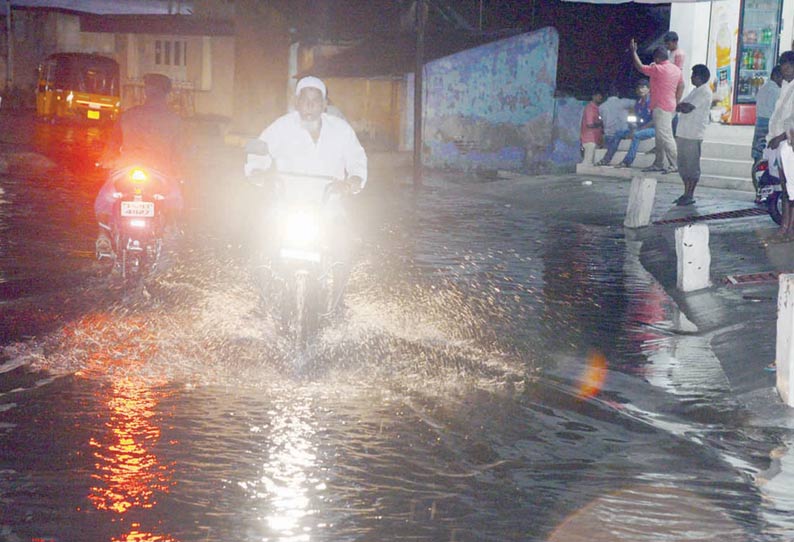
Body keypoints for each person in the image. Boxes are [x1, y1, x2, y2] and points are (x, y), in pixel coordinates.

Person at [94, 73, 186, 257]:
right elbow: (181, 152)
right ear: (166, 94)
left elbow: (112, 145)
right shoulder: (175, 121)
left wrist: (105, 160)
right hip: (160, 172)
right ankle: (170, 230)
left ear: (146, 92)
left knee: (105, 198)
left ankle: (103, 234)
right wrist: (182, 172)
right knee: (175, 199)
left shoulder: (128, 115)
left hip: (125, 169)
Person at [630, 40, 684, 174]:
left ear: (658, 58)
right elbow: (681, 85)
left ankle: (675, 164)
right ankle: (658, 163)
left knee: (666, 137)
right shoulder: (676, 69)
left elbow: (640, 67)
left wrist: (633, 52)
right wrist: (676, 100)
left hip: (661, 107)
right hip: (670, 106)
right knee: (660, 137)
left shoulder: (658, 69)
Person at [673, 64, 713, 206]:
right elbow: (681, 106)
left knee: (691, 166)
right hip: (683, 132)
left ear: (700, 77)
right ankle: (686, 193)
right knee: (683, 166)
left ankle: (689, 194)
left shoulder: (704, 92)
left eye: (693, 75)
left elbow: (686, 108)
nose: (691, 78)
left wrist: (681, 106)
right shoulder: (694, 91)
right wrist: (681, 106)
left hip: (693, 134)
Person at [765, 51, 794, 237]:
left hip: (788, 143)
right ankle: (786, 226)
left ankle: (788, 228)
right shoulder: (784, 86)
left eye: (788, 65)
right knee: (784, 187)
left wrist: (781, 137)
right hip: (780, 144)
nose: (785, 68)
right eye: (783, 64)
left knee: (790, 188)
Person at [615, 79, 655, 168]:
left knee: (636, 135)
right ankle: (607, 159)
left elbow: (656, 120)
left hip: (654, 129)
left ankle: (627, 161)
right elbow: (635, 119)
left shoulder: (653, 101)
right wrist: (633, 127)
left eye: (643, 87)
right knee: (618, 133)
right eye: (639, 88)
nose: (640, 90)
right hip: (641, 128)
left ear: (649, 89)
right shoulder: (638, 103)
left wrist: (641, 128)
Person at [596, 89, 635, 166]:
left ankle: (605, 160)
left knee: (615, 135)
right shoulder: (623, 102)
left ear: (607, 95)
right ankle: (607, 160)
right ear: (617, 94)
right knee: (621, 132)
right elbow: (637, 104)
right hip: (622, 133)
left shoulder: (601, 107)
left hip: (608, 136)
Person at [753, 65, 783, 163]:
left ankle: (756, 173)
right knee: (768, 153)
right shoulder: (777, 91)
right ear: (776, 76)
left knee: (758, 152)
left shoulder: (763, 88)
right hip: (770, 124)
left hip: (759, 122)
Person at [579, 90, 604, 166]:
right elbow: (590, 124)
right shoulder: (590, 108)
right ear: (593, 96)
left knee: (591, 164)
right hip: (590, 139)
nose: (600, 97)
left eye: (601, 96)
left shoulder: (596, 108)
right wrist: (601, 123)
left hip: (595, 139)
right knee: (587, 164)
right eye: (598, 96)